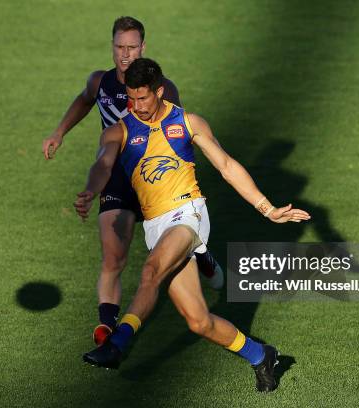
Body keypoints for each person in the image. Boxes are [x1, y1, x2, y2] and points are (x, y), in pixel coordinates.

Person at [74, 58, 311, 392]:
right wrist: (90, 189)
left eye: (144, 98)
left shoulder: (186, 121)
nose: (137, 106)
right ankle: (262, 355)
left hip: (189, 215)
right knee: (199, 321)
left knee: (150, 272)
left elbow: (227, 165)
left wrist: (267, 208)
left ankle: (118, 343)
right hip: (156, 225)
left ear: (159, 91)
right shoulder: (120, 129)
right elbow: (103, 163)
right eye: (131, 98)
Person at [42, 17, 223, 346]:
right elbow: (85, 102)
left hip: (156, 181)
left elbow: (177, 138)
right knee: (113, 257)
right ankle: (106, 327)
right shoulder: (100, 82)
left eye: (132, 47)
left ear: (143, 48)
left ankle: (200, 252)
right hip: (117, 180)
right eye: (119, 47)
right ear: (112, 47)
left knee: (170, 247)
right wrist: (59, 132)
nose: (125, 54)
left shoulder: (162, 88)